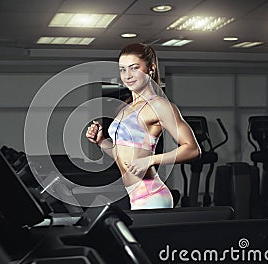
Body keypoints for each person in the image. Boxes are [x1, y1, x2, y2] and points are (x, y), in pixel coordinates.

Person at [86, 43, 201, 210]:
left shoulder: (160, 105)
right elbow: (123, 156)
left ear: (151, 68)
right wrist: (102, 141)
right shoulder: (125, 107)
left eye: (134, 68)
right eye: (122, 69)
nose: (127, 75)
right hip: (134, 196)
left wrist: (150, 160)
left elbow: (193, 149)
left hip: (152, 195)